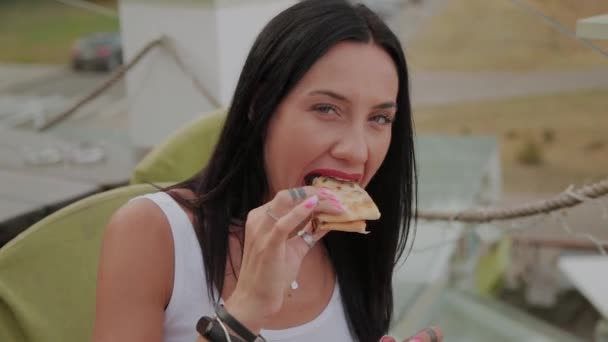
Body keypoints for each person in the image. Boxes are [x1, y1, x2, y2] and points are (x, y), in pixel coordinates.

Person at [93, 1, 443, 341]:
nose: (356, 150)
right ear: (260, 105)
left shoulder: (355, 245)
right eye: (327, 109)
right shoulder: (152, 232)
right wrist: (247, 309)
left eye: (379, 118)